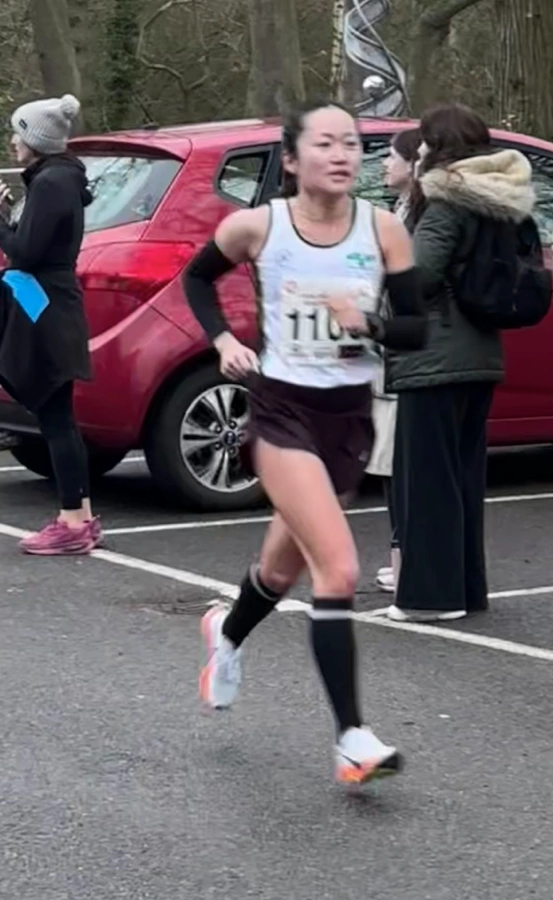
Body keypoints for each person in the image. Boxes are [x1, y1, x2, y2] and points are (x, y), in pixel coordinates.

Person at [182, 99, 426, 784]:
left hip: (346, 418)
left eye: (351, 143)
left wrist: (368, 322)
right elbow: (197, 279)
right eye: (325, 143)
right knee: (339, 570)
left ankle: (226, 634)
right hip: (281, 413)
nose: (342, 154)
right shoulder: (257, 227)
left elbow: (418, 330)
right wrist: (224, 339)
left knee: (281, 570)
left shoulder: (383, 231)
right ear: (291, 159)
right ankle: (351, 738)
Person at [385, 103, 536, 622]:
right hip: (480, 352)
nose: (418, 150)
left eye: (424, 142)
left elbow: (420, 273)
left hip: (435, 352)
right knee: (463, 477)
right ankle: (468, 588)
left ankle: (431, 596)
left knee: (426, 478)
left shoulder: (445, 198)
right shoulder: (500, 198)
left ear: (441, 146)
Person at [0, 94, 100, 555]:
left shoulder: (52, 183)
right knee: (55, 414)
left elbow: (25, 253)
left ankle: (73, 521)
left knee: (56, 414)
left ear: (36, 141)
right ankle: (78, 516)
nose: (13, 140)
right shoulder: (54, 179)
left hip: (46, 305)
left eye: (18, 132)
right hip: (43, 302)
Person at [366, 127, 420, 595]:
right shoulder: (398, 213)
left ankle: (406, 556)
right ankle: (399, 553)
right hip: (385, 354)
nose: (385, 164)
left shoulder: (413, 218)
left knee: (397, 461)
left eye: (392, 156)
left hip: (400, 356)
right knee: (388, 461)